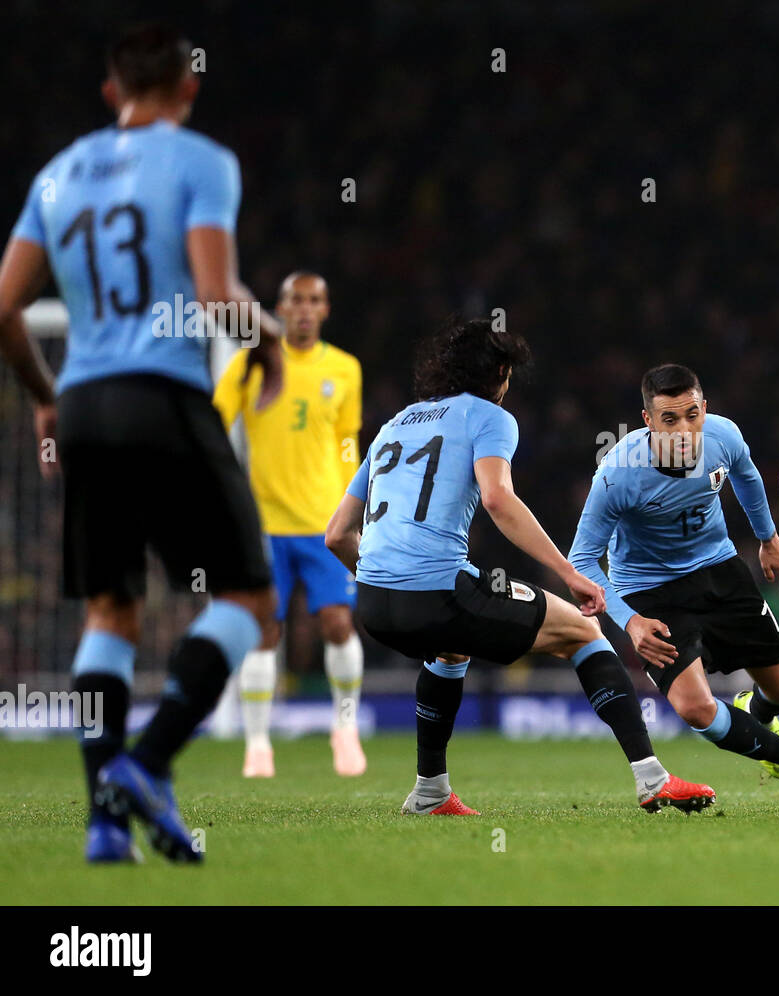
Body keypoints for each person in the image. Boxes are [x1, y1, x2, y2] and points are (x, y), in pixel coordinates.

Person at [0, 23, 283, 861]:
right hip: (161, 395)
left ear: (110, 91)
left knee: (109, 609)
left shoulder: (57, 173)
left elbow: (3, 305)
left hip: (83, 403)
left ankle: (103, 822)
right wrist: (265, 339)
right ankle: (150, 762)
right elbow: (211, 290)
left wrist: (45, 399)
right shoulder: (202, 162)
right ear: (188, 87)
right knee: (249, 600)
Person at [325, 319, 714, 814]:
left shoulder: (394, 426)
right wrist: (570, 573)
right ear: (502, 372)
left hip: (375, 604)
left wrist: (389, 581)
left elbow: (336, 533)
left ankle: (430, 791)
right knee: (583, 632)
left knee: (448, 651)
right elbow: (497, 498)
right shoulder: (488, 416)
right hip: (438, 592)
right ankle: (652, 778)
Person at [569, 364, 779, 805]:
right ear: (647, 421)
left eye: (692, 415)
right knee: (696, 708)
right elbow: (581, 560)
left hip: (720, 571)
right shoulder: (617, 474)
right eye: (669, 419)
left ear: (705, 410)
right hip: (650, 592)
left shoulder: (723, 437)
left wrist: (767, 538)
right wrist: (630, 622)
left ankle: (756, 716)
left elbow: (747, 475)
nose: (684, 429)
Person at [213, 271, 366, 778]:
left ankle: (344, 727)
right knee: (263, 631)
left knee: (338, 623)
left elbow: (349, 445)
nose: (303, 309)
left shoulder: (345, 369)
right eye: (294, 300)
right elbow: (215, 423)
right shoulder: (248, 364)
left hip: (324, 523)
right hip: (262, 526)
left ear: (325, 310)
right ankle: (257, 744)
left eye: (313, 301)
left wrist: (354, 508)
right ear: (279, 308)